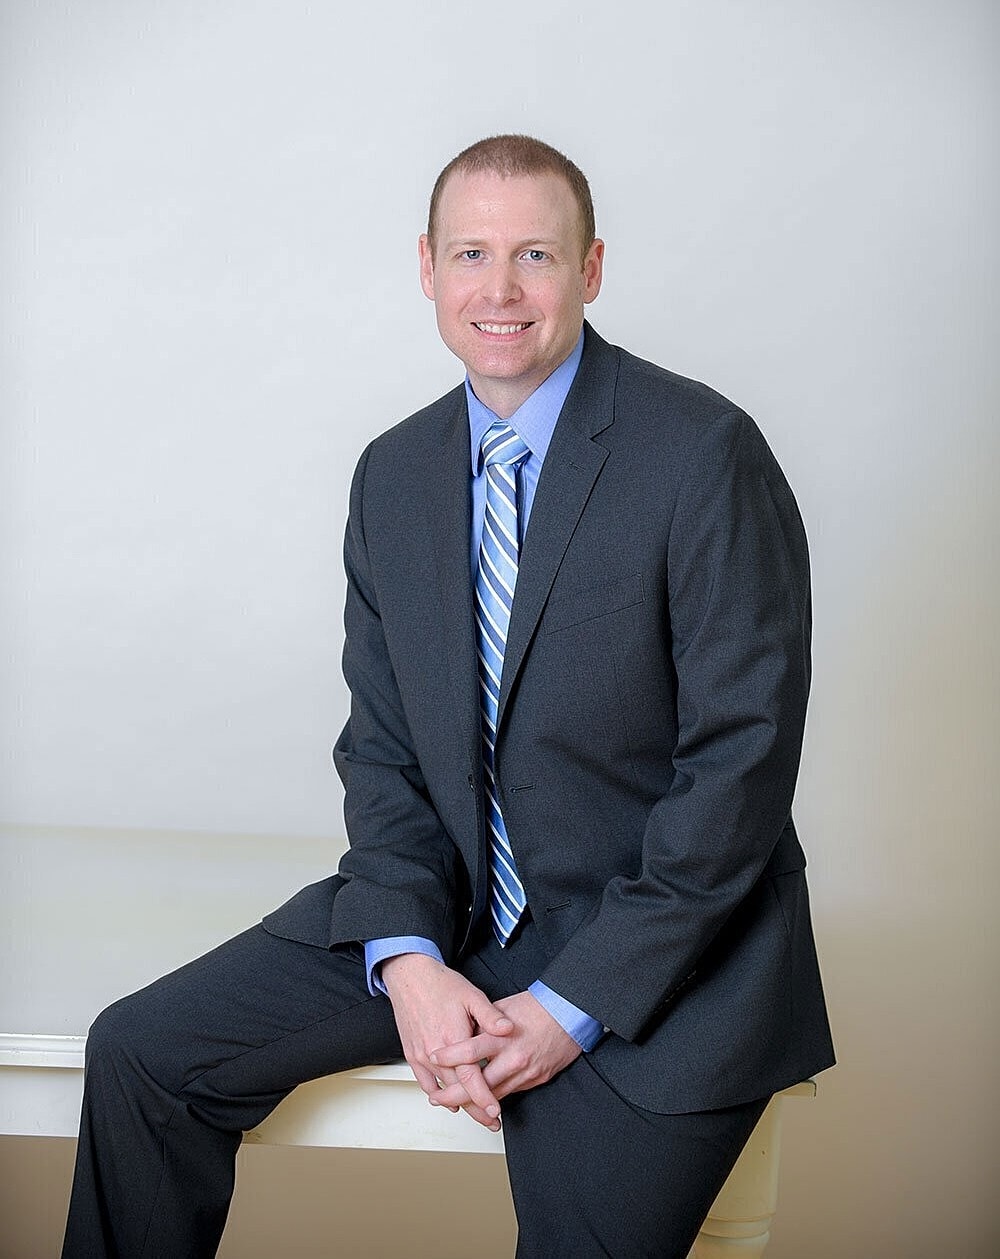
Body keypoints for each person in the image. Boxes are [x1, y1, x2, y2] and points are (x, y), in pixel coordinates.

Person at [62, 134, 834, 1259]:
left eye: (535, 254)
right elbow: (383, 752)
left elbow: (740, 766)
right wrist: (411, 961)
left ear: (592, 268)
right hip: (454, 912)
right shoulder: (395, 472)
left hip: (659, 946)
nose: (500, 289)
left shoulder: (702, 451)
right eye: (471, 253)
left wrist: (573, 1004)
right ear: (425, 266)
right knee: (141, 1052)